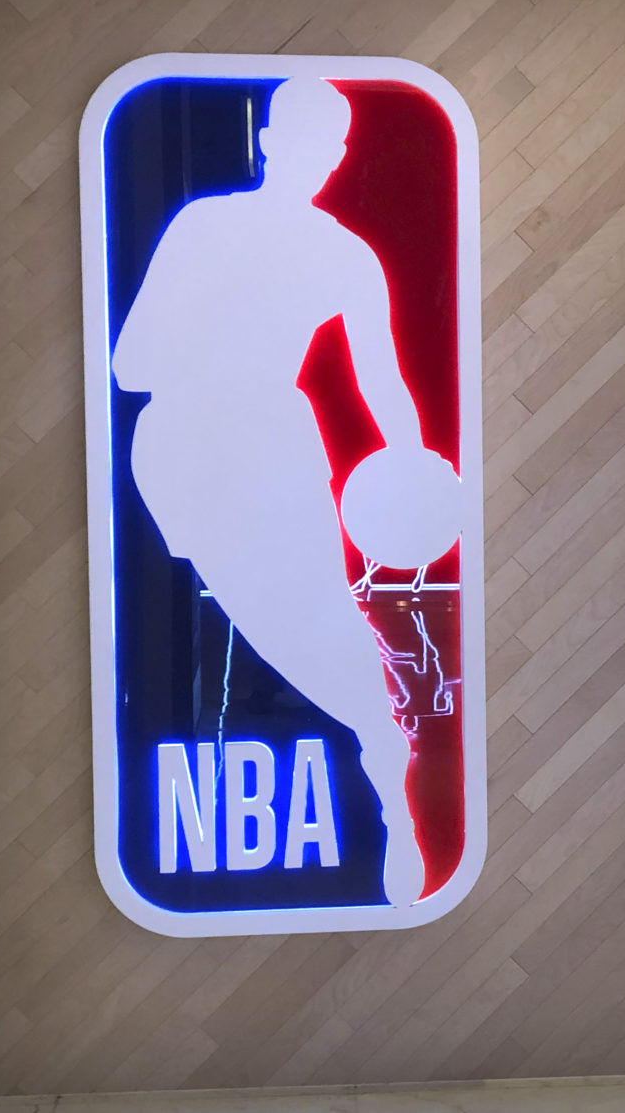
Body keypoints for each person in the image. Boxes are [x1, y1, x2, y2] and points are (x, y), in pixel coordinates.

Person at [114, 77, 443, 906]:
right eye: (313, 145)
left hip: (246, 444)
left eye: (325, 148)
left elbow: (383, 387)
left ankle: (378, 767)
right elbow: (130, 363)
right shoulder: (246, 236)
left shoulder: (311, 249)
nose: (319, 161)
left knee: (309, 621)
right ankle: (368, 750)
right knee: (284, 621)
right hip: (203, 445)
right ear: (277, 146)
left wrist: (416, 472)